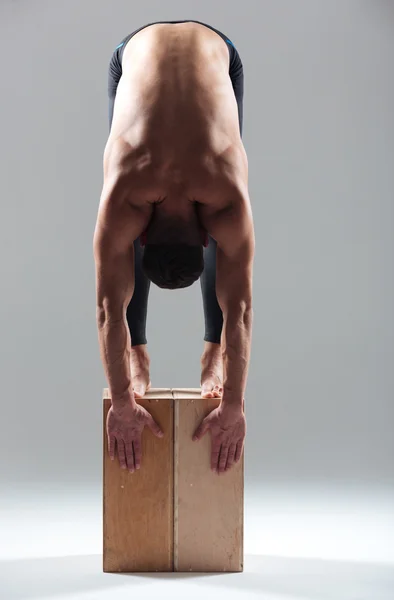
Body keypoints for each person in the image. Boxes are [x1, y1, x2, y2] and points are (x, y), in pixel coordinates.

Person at [93, 19, 255, 476]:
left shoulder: (126, 193)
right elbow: (240, 308)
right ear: (207, 236)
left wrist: (123, 400)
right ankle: (149, 354)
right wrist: (236, 405)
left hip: (217, 52)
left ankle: (206, 355)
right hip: (142, 53)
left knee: (115, 251)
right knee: (231, 248)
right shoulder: (225, 198)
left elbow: (108, 306)